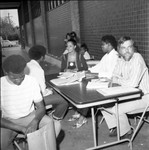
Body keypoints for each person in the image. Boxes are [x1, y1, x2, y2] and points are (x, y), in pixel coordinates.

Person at [1, 55, 61, 150]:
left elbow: (41, 107)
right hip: (9, 120)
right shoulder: (1, 84)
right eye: (14, 78)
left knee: (55, 126)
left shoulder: (31, 81)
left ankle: (38, 146)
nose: (18, 81)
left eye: (21, 77)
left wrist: (35, 121)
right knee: (2, 143)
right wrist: (21, 128)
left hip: (30, 116)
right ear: (6, 72)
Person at [102, 36, 149, 139]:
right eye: (123, 47)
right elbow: (114, 75)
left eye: (129, 47)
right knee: (102, 104)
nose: (127, 50)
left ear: (133, 48)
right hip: (129, 94)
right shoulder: (120, 59)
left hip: (144, 97)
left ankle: (126, 132)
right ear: (119, 49)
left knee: (117, 109)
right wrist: (120, 80)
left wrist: (119, 80)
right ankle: (116, 126)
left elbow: (132, 83)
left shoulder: (137, 58)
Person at [24, 45, 68, 121]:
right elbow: (43, 92)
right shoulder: (38, 70)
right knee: (64, 99)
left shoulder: (27, 65)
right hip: (34, 101)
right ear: (42, 57)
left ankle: (51, 111)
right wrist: (49, 90)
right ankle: (55, 118)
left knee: (54, 91)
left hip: (26, 96)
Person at [61, 38, 88, 128]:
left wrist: (77, 69)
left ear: (75, 46)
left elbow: (85, 67)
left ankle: (81, 116)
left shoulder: (79, 55)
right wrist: (66, 70)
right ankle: (77, 113)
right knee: (70, 96)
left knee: (79, 96)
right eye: (67, 46)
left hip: (78, 79)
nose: (68, 48)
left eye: (70, 46)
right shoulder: (64, 56)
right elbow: (61, 70)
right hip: (68, 79)